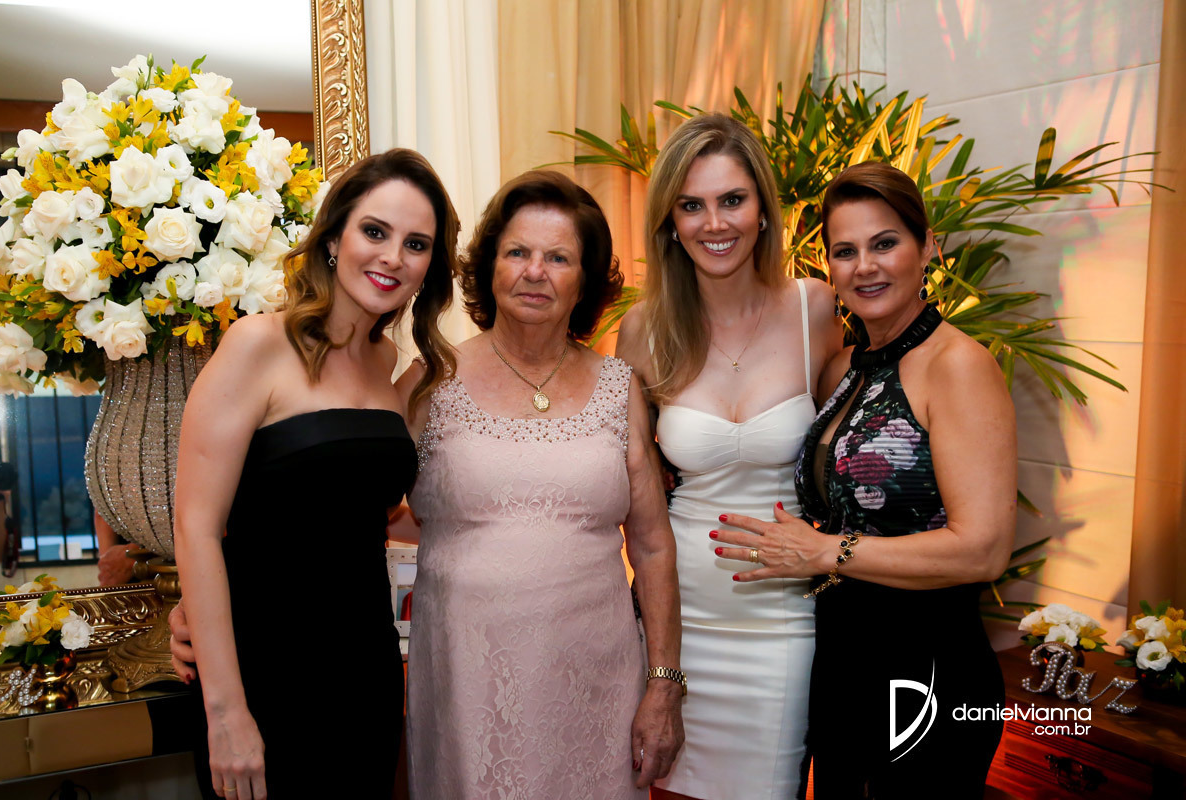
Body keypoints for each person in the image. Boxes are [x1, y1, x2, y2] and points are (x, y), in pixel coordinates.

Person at [713, 161, 1016, 798]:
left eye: (885, 243)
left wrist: (827, 552)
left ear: (927, 247)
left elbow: (983, 549)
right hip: (843, 660)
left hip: (927, 670)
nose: (865, 267)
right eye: (845, 251)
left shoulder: (958, 365)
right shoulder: (844, 367)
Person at [173, 149, 458, 800]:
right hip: (262, 675)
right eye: (375, 231)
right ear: (333, 238)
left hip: (364, 671)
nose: (393, 257)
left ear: (428, 268)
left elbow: (360, 511)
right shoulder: (257, 344)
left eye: (416, 244)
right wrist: (226, 712)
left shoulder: (388, 366)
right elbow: (196, 527)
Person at [399, 169, 684, 799]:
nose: (535, 272)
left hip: (597, 686)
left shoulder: (620, 388)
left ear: (585, 279)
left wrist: (664, 683)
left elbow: (652, 546)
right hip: (467, 687)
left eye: (558, 258)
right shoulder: (430, 381)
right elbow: (360, 507)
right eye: (517, 253)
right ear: (489, 267)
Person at [616, 113, 843, 799]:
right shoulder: (643, 330)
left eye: (732, 200)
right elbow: (630, 486)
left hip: (784, 623)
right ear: (670, 223)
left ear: (763, 211)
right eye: (691, 205)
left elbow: (846, 452)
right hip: (676, 626)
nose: (714, 223)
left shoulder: (814, 309)